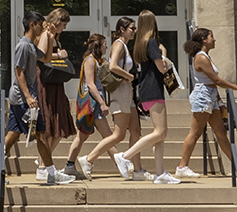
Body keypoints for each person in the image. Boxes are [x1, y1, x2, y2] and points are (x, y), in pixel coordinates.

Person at [0, 10, 55, 183]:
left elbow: (45, 58)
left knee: (13, 134)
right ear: (32, 25)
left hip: (21, 98)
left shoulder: (30, 45)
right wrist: (29, 97)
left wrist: (51, 37)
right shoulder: (23, 45)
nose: (41, 28)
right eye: (40, 25)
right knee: (41, 134)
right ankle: (52, 173)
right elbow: (19, 71)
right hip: (23, 99)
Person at [174, 28, 237, 179]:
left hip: (210, 96)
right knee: (195, 132)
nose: (214, 39)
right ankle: (182, 166)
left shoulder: (206, 56)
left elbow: (212, 83)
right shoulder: (201, 58)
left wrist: (219, 102)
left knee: (221, 133)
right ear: (204, 40)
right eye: (212, 37)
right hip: (203, 96)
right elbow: (216, 80)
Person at [115, 10, 176, 183]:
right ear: (152, 23)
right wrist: (163, 54)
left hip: (146, 90)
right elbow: (162, 68)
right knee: (160, 132)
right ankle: (125, 156)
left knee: (160, 134)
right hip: (153, 90)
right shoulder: (151, 43)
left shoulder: (140, 43)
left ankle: (159, 172)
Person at [84, 17, 139, 173]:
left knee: (135, 130)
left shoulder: (125, 46)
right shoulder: (119, 45)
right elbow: (113, 66)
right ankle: (88, 159)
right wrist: (128, 76)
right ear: (122, 29)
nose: (134, 31)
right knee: (118, 134)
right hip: (120, 91)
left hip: (127, 91)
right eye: (132, 28)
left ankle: (138, 169)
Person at [33, 8, 79, 182]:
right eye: (64, 24)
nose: (64, 28)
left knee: (59, 126)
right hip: (46, 83)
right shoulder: (46, 34)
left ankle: (44, 161)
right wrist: (59, 54)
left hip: (55, 84)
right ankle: (43, 166)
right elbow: (42, 56)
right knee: (51, 124)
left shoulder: (52, 35)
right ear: (56, 21)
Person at [66, 32, 108, 179]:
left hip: (93, 103)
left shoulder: (96, 61)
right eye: (104, 44)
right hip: (93, 103)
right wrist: (102, 103)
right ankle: (123, 164)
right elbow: (90, 84)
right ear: (98, 45)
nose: (106, 47)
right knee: (109, 137)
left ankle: (69, 165)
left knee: (82, 136)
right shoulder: (90, 60)